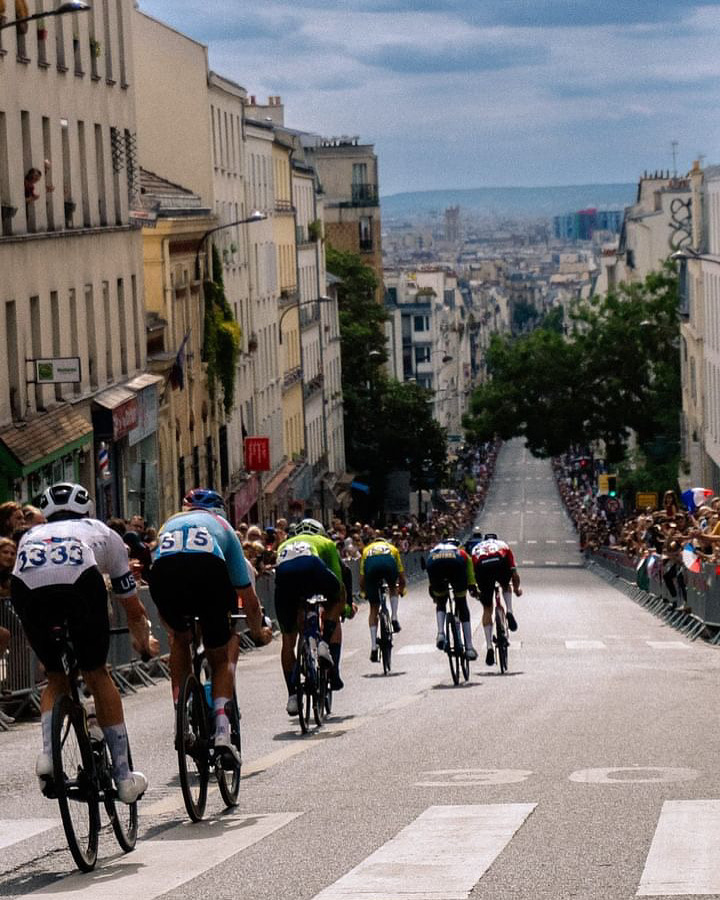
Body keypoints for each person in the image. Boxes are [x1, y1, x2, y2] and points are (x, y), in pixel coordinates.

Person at [9, 483, 157, 802]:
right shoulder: (103, 531)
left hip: (26, 587)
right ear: (88, 509)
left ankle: (48, 757)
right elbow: (132, 606)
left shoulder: (30, 535)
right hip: (78, 582)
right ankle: (124, 776)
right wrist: (143, 644)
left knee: (55, 676)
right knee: (96, 673)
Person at [148, 488, 272, 766]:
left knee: (179, 639)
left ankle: (182, 713)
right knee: (224, 650)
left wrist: (175, 628)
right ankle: (223, 733)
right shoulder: (223, 527)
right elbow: (247, 596)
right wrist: (258, 632)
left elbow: (157, 592)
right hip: (207, 573)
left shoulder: (169, 523)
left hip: (165, 575)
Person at [274, 518, 346, 716]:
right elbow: (338, 577)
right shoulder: (326, 543)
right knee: (339, 595)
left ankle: (292, 697)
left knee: (288, 642)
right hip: (312, 568)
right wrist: (343, 609)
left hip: (285, 578)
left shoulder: (284, 544)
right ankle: (323, 643)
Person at [470, 534, 522, 666]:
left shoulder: (476, 548)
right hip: (500, 562)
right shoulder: (503, 544)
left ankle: (489, 647)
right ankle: (509, 610)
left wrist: (477, 592)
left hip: (482, 567)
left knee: (487, 608)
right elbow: (514, 572)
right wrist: (516, 589)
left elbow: (473, 574)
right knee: (505, 585)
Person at [425, 538, 479, 660]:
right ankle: (469, 648)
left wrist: (433, 590)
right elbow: (470, 572)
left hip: (434, 564)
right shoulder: (460, 551)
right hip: (455, 564)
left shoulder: (434, 550)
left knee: (440, 601)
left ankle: (440, 634)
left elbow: (429, 571)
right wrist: (472, 586)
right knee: (462, 603)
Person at [359, 533, 406, 663]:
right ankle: (394, 617)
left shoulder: (366, 550)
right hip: (388, 565)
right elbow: (401, 575)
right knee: (392, 586)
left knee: (374, 607)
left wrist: (364, 591)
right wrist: (401, 588)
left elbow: (362, 578)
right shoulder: (393, 549)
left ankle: (374, 647)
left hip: (371, 569)